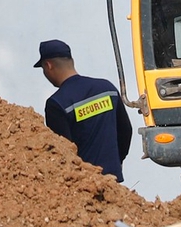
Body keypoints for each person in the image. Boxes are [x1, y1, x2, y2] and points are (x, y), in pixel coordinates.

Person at [35, 40, 133, 181]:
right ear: (71, 60)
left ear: (48, 65)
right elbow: (126, 130)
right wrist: (116, 162)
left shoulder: (57, 104)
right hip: (113, 179)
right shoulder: (107, 89)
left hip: (83, 185)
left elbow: (63, 153)